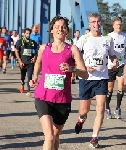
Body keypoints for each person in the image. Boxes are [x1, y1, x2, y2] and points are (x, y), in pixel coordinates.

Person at [29, 16, 88, 150]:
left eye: (63, 27)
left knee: (55, 136)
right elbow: (38, 62)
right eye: (56, 27)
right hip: (43, 96)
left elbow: (85, 73)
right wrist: (34, 77)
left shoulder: (72, 50)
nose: (60, 29)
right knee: (49, 136)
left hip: (62, 99)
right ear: (51, 30)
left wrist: (72, 69)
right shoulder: (44, 48)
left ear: (67, 31)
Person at [75, 13, 118, 148]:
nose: (96, 24)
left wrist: (114, 60)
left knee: (100, 108)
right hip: (86, 78)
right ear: (89, 24)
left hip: (102, 78)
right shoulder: (84, 39)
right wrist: (84, 67)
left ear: (101, 23)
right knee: (84, 110)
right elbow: (74, 56)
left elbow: (112, 55)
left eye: (98, 21)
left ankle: (94, 137)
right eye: (93, 22)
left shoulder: (108, 39)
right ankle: (81, 119)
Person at [106, 17, 126, 119]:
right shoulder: (109, 37)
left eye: (120, 24)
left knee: (121, 87)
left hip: (121, 65)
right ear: (113, 26)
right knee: (110, 88)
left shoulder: (124, 36)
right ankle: (107, 107)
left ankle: (118, 108)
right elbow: (105, 51)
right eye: (117, 24)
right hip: (111, 66)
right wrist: (111, 61)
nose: (119, 26)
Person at [15, 28, 37, 96]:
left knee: (29, 76)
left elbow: (36, 51)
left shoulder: (33, 42)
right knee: (23, 76)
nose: (28, 35)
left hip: (30, 62)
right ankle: (22, 84)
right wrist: (19, 61)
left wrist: (34, 58)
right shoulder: (20, 41)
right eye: (27, 33)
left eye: (29, 33)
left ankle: (28, 90)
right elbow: (16, 51)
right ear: (24, 33)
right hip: (23, 62)